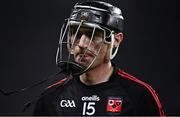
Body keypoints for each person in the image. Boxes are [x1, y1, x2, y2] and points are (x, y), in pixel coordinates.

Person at [33, 1, 165, 116]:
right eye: (77, 34)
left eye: (92, 35)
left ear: (116, 40)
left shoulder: (139, 97)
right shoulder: (50, 98)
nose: (82, 44)